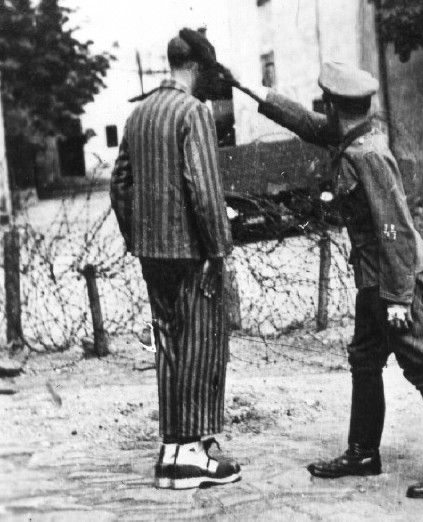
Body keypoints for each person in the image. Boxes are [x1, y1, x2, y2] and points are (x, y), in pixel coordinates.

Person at [254, 62, 423, 499]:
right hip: (375, 281)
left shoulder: (367, 155)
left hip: (394, 281)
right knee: (364, 359)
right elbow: (306, 122)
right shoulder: (352, 137)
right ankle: (362, 452)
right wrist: (251, 90)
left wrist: (398, 298)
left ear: (335, 105)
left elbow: (394, 228)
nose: (324, 112)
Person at [110, 29, 241, 489]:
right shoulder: (193, 112)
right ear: (198, 67)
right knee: (200, 345)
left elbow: (119, 183)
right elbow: (204, 189)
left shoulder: (139, 113)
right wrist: (217, 251)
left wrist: (138, 236)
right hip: (191, 253)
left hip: (151, 251)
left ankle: (171, 451)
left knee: (167, 346)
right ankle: (191, 455)